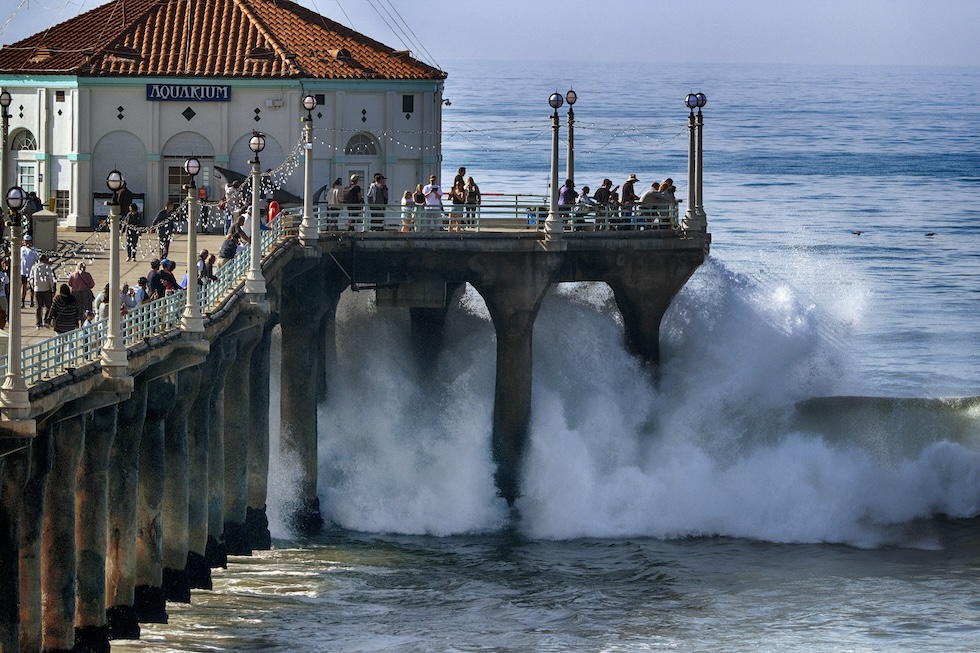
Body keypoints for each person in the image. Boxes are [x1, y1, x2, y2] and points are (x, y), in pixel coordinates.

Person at [29, 254, 56, 329]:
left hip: (37, 289)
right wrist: (51, 287)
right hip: (46, 289)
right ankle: (46, 320)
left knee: (39, 307)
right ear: (44, 259)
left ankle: (38, 323)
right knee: (48, 306)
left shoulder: (34, 267)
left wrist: (33, 287)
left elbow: (31, 278)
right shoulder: (48, 267)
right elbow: (51, 278)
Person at [20, 234, 39, 307]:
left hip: (31, 271)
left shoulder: (34, 250)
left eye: (27, 241)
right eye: (25, 241)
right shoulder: (21, 249)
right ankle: (22, 301)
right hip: (23, 271)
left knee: (32, 287)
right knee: (23, 286)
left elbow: (37, 260)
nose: (26, 243)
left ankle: (32, 300)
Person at [0, 257, 9, 330]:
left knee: (3, 312)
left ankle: (2, 326)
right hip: (2, 295)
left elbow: (7, 282)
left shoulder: (3, 274)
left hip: (2, 295)